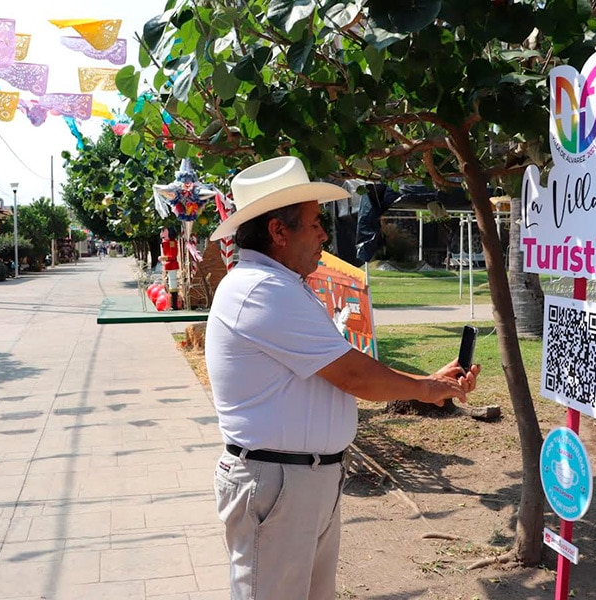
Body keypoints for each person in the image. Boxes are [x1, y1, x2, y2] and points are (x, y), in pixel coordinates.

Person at [204, 156, 481, 600]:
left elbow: (340, 366)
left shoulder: (281, 285)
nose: (324, 234)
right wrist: (428, 388)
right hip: (279, 483)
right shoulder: (261, 289)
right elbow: (354, 374)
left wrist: (430, 381)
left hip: (300, 480)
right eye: (314, 223)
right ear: (278, 231)